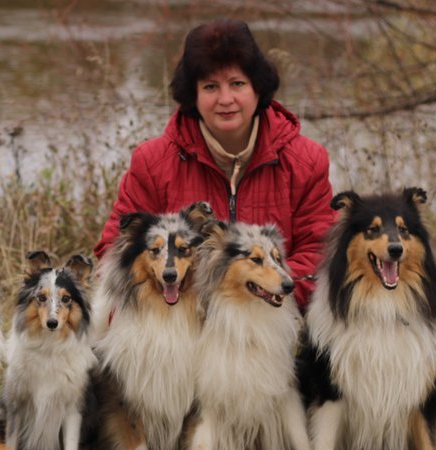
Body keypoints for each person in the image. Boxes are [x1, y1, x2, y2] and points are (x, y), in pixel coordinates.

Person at [94, 19, 334, 309]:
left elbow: (318, 251)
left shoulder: (306, 159)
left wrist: (253, 293)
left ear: (257, 88)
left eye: (237, 84)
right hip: (183, 321)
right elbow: (117, 249)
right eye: (210, 86)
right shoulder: (153, 161)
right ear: (193, 95)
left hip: (273, 317)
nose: (225, 99)